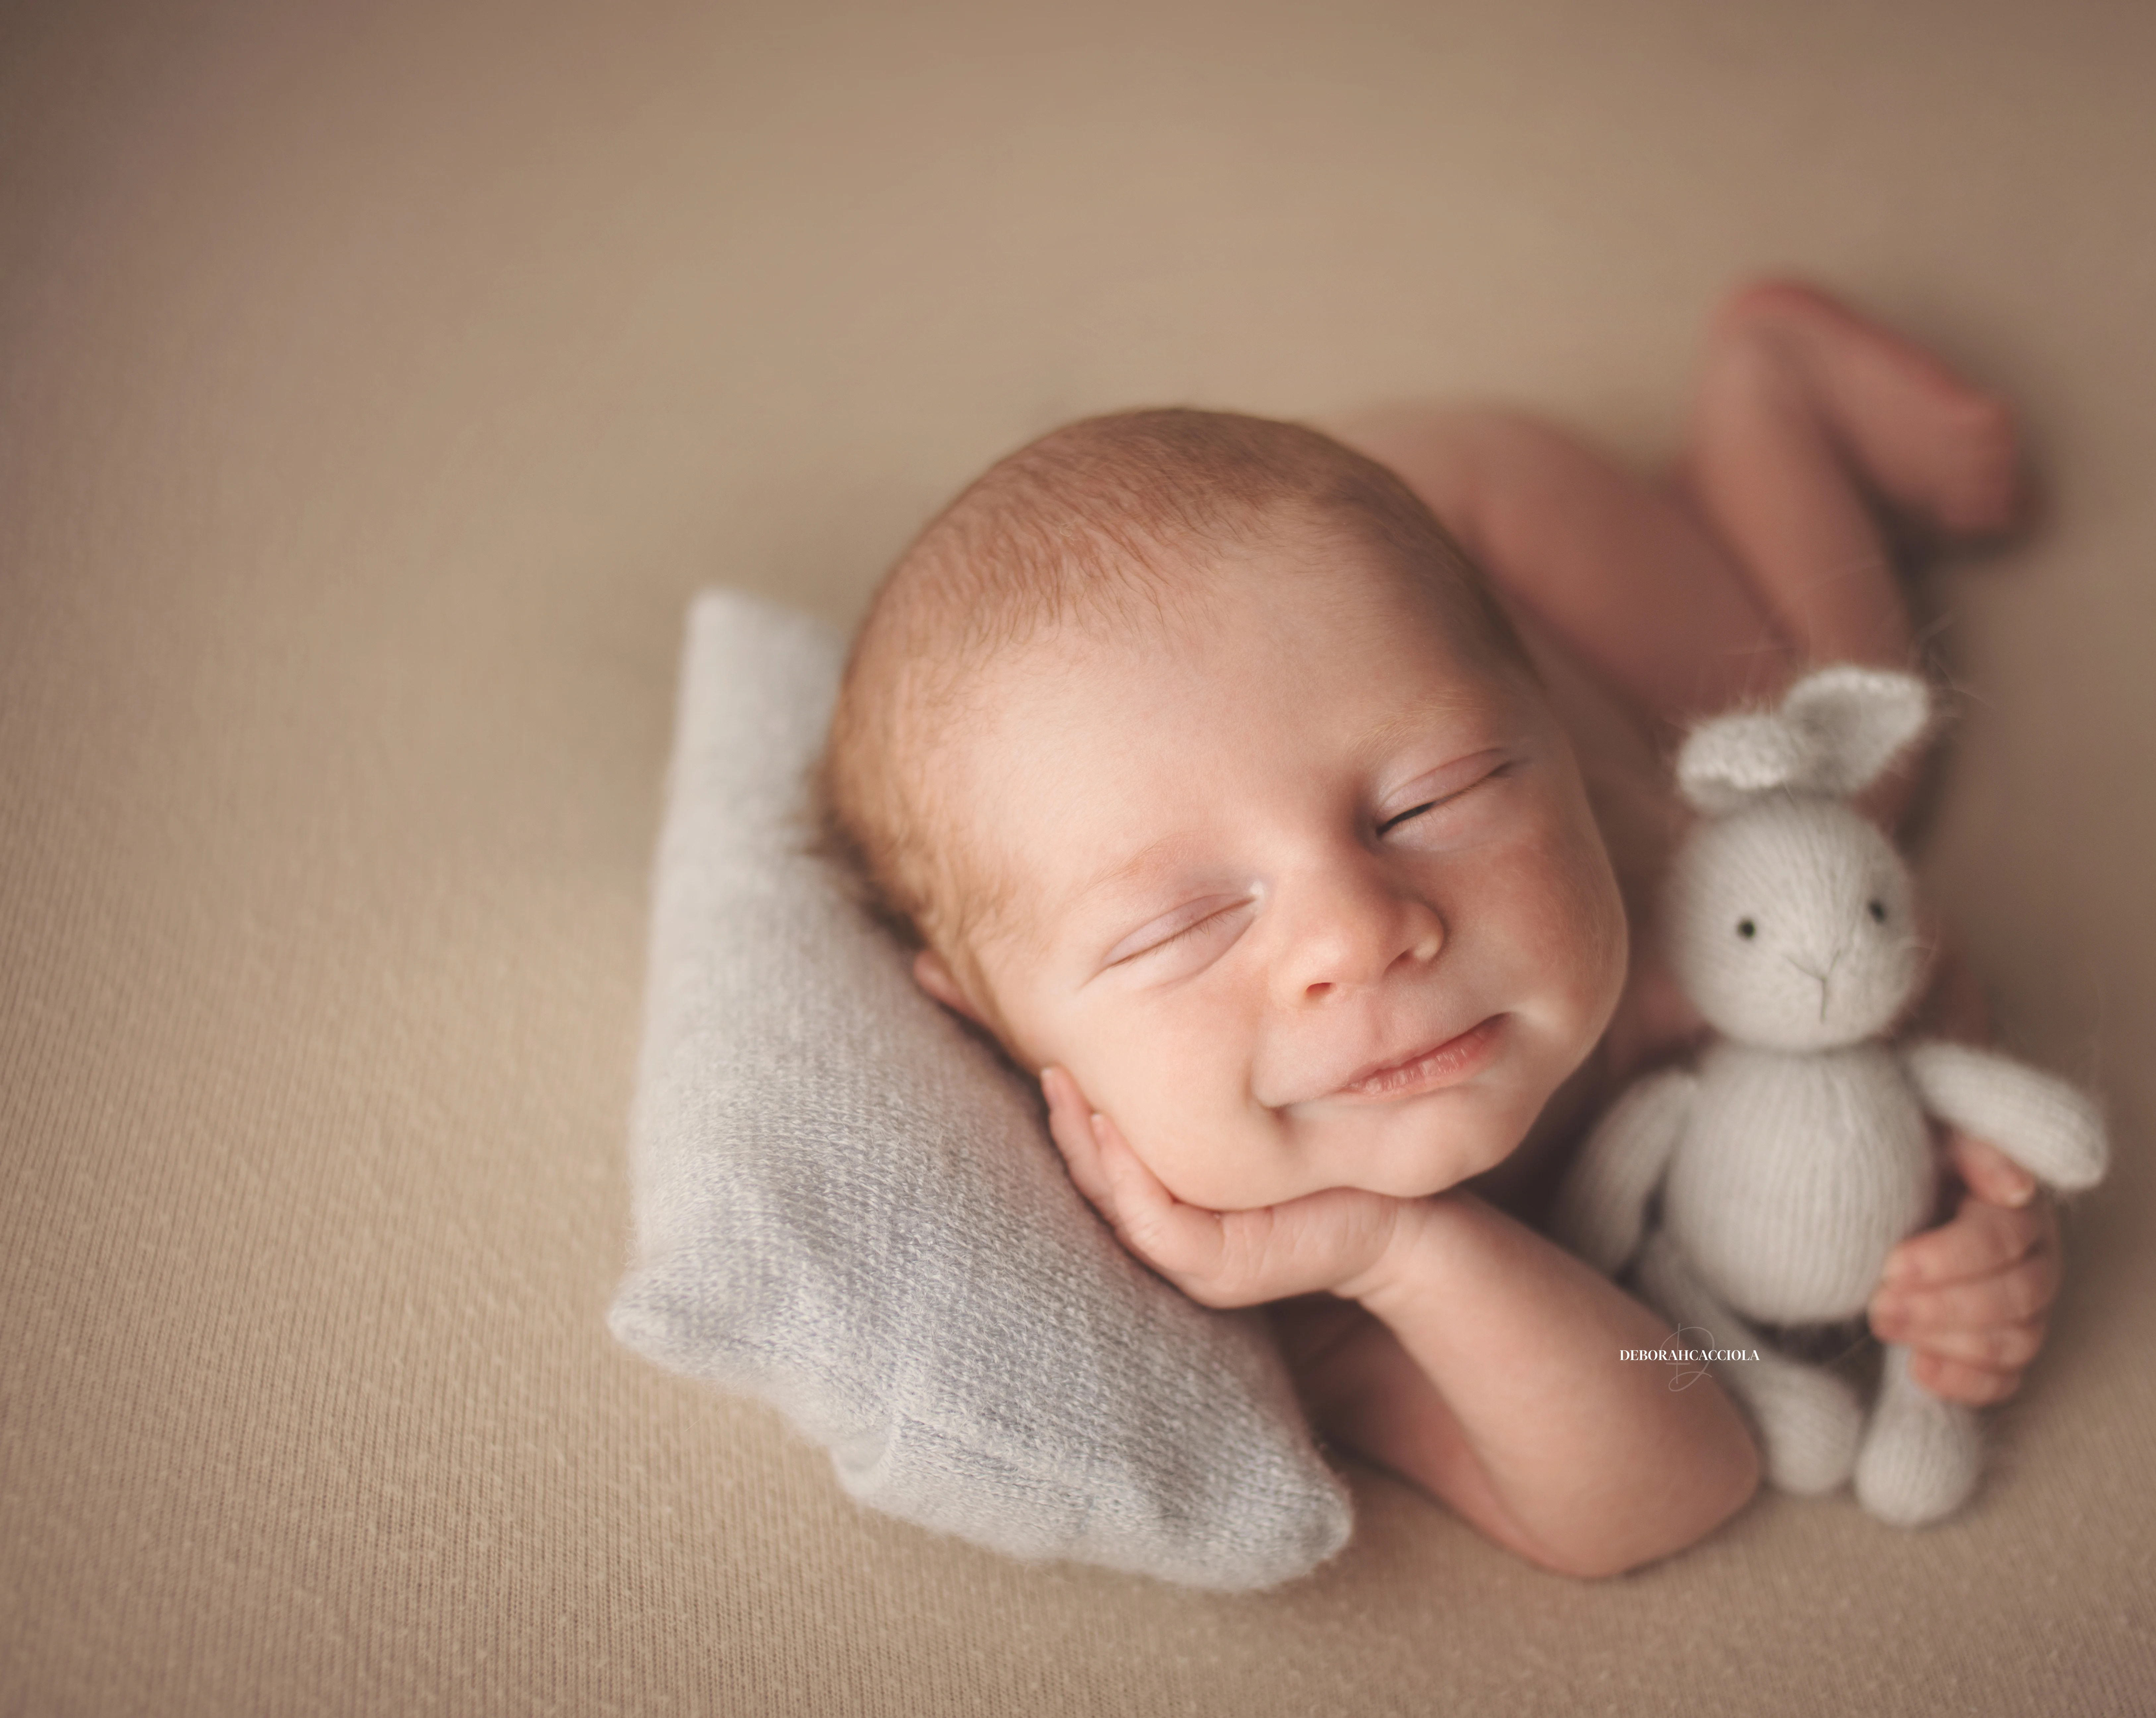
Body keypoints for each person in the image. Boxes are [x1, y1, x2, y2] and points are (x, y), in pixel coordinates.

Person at [822, 279, 2063, 1578]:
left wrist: (1954, 1193)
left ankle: (1767, 391)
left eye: (1433, 799)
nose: (1356, 933)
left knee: (1849, 756)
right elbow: (1673, 1478)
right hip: (1290, 628)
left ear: (1547, 750)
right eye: (1182, 923)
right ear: (992, 1020)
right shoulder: (1276, 1287)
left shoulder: (1667, 926)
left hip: (1477, 516)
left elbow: (1896, 948)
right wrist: (1396, 1247)